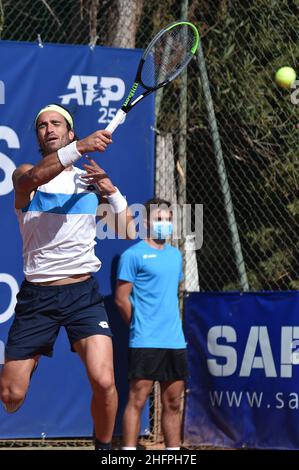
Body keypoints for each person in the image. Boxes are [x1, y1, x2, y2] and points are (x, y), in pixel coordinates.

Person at [0, 103, 134, 451]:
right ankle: (28, 363)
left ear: (69, 131)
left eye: (56, 123)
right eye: (42, 125)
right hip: (37, 298)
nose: (49, 128)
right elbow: (32, 179)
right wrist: (81, 148)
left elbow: (127, 230)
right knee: (11, 397)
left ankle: (105, 451)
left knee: (105, 381)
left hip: (82, 297)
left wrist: (111, 190)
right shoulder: (25, 174)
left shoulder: (87, 181)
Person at [115, 198, 188, 450]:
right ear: (146, 222)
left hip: (174, 341)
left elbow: (170, 293)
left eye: (168, 219)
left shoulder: (175, 256)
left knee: (173, 403)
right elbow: (121, 299)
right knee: (137, 400)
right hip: (145, 340)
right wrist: (138, 326)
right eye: (159, 219)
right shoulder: (132, 255)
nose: (165, 224)